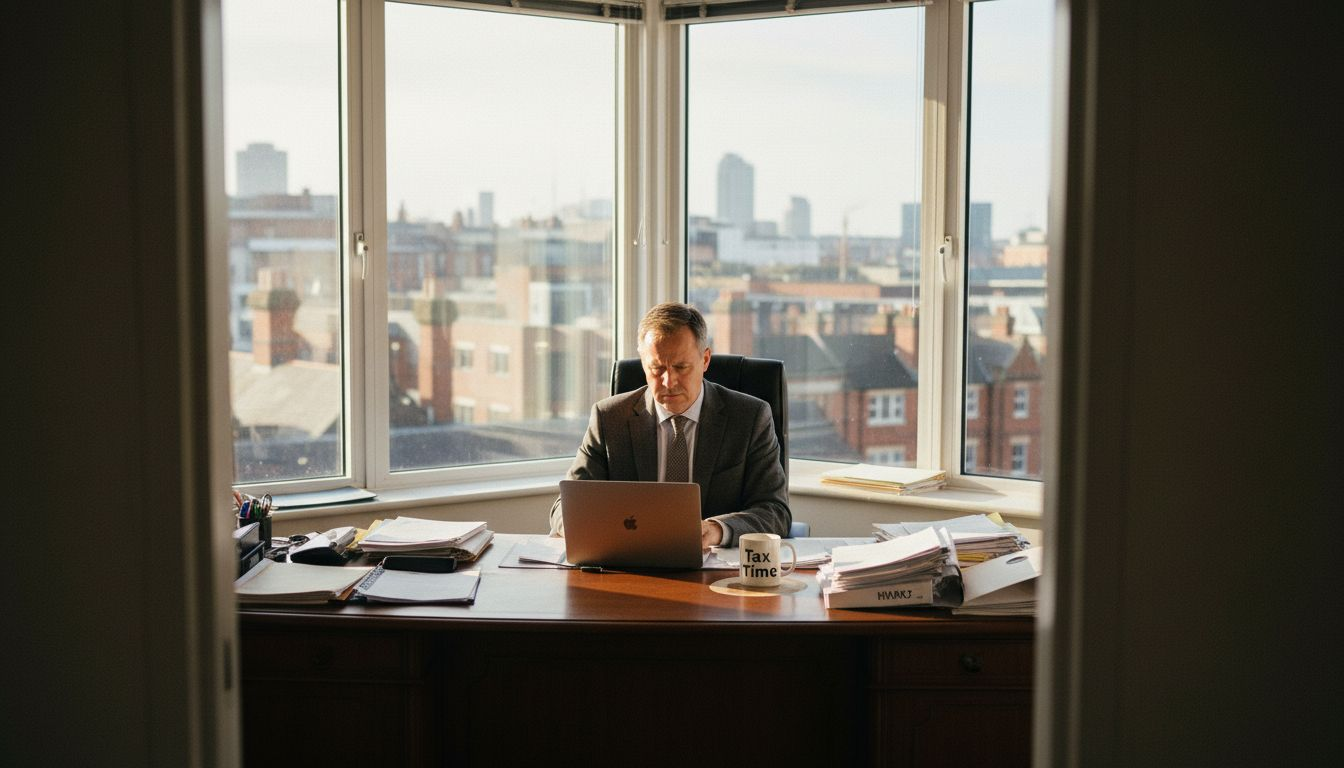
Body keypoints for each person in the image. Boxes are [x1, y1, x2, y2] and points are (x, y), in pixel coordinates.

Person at [548, 302, 791, 550]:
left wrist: (716, 530)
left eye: (680, 367)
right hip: (630, 565)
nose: (668, 381)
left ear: (705, 359)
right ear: (643, 363)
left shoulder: (749, 418)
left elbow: (775, 512)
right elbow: (564, 507)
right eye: (657, 368)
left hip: (717, 574)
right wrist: (592, 530)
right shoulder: (609, 418)